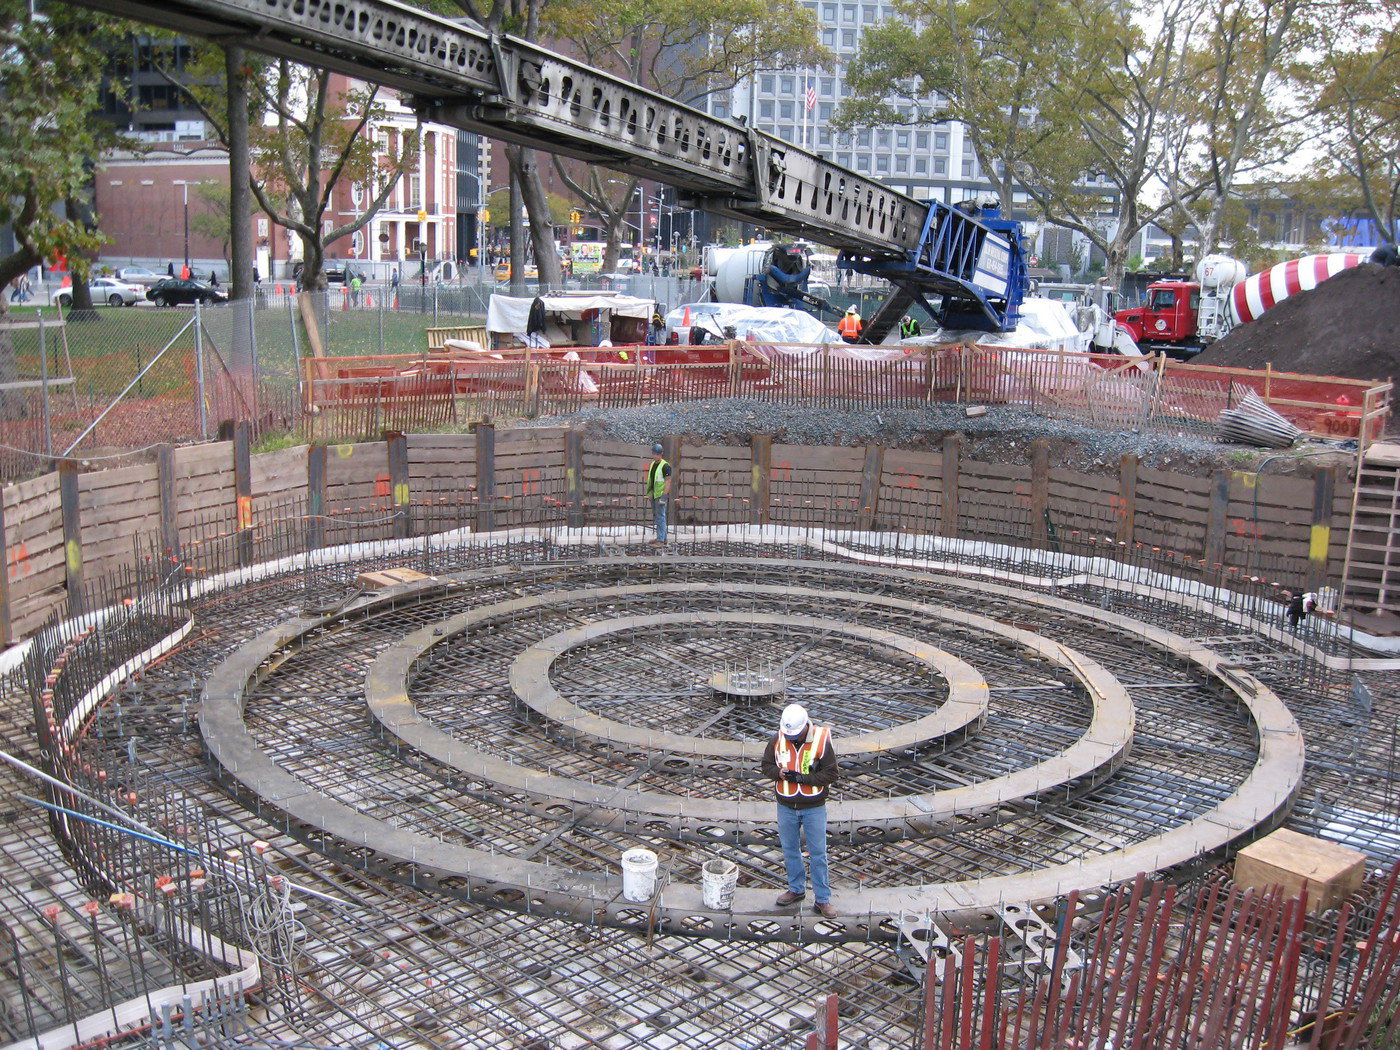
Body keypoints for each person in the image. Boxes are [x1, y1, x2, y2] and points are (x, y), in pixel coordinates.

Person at [761, 703, 839, 918]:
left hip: (814, 807)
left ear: (805, 726)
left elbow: (832, 774)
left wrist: (804, 779)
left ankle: (822, 899)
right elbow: (766, 765)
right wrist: (778, 773)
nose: (791, 737)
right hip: (786, 806)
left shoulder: (821, 741)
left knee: (818, 853)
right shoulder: (777, 739)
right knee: (790, 850)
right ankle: (796, 889)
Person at [645, 442, 672, 547]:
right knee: (657, 516)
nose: (655, 456)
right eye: (654, 454)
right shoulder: (653, 464)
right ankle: (662, 538)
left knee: (661, 516)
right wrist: (649, 493)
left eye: (657, 454)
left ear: (661, 454)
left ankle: (660, 540)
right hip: (654, 494)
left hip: (660, 495)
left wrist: (664, 496)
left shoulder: (665, 466)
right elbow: (651, 480)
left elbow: (668, 481)